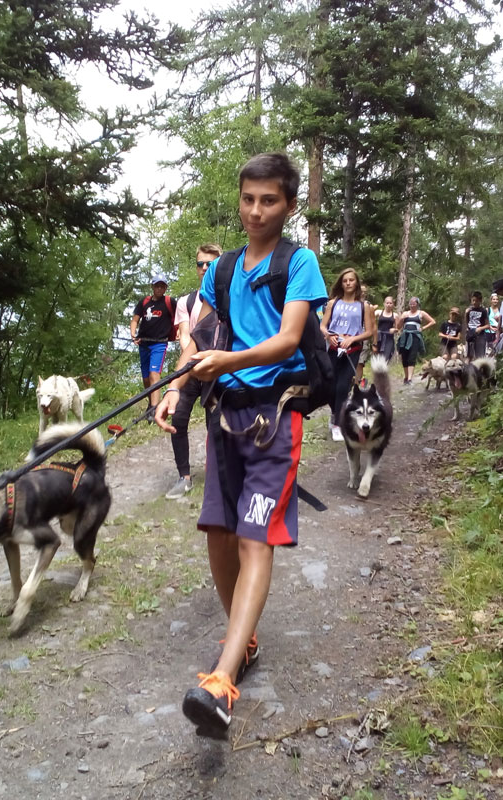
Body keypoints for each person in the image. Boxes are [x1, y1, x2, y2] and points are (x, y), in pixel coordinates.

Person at [154, 152, 327, 739]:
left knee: (255, 537)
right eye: (248, 199)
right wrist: (174, 389)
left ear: (289, 205)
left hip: (275, 418)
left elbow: (289, 339)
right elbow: (198, 335)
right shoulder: (223, 269)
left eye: (269, 200)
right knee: (219, 533)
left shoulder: (299, 263)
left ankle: (222, 680)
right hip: (224, 417)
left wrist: (226, 361)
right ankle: (243, 640)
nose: (256, 211)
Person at [165, 243, 223, 499]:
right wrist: (193, 361)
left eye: (211, 263)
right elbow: (185, 335)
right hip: (190, 367)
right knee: (178, 419)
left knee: (215, 423)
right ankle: (184, 477)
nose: (205, 268)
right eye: (201, 263)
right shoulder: (186, 301)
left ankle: (217, 474)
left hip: (217, 367)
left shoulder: (228, 299)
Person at [319, 268, 375, 442]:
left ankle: (338, 424)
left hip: (352, 349)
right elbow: (322, 326)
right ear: (341, 284)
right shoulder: (333, 303)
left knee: (343, 386)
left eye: (351, 280)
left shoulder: (363, 306)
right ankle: (335, 412)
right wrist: (329, 335)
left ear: (356, 282)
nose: (348, 283)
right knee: (329, 386)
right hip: (333, 348)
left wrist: (352, 339)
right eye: (345, 281)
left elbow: (369, 331)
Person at [130, 275, 176, 410]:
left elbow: (181, 315)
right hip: (144, 343)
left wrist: (180, 330)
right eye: (157, 286)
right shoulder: (144, 302)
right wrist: (133, 334)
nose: (159, 289)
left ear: (166, 288)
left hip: (159, 344)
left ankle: (154, 409)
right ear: (152, 287)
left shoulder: (169, 302)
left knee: (154, 375)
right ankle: (151, 404)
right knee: (146, 378)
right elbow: (135, 320)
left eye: (162, 286)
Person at [396, 296, 436, 384]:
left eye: (414, 304)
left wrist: (423, 328)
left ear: (417, 304)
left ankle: (410, 378)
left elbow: (432, 321)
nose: (412, 305)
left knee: (412, 356)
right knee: (404, 357)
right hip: (405, 336)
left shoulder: (421, 313)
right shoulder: (405, 313)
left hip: (415, 337)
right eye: (410, 304)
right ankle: (406, 377)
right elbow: (398, 327)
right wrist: (401, 319)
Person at [355, 285, 376, 388]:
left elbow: (373, 325)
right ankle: (356, 381)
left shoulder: (368, 306)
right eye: (361, 291)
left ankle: (356, 386)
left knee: (360, 362)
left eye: (365, 291)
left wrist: (375, 342)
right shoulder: (350, 303)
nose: (363, 293)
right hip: (350, 336)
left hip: (364, 337)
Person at [464, 291, 489, 361]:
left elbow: (488, 325)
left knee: (480, 356)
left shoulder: (483, 311)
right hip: (470, 334)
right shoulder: (469, 310)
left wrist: (480, 328)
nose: (474, 302)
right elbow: (466, 322)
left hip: (480, 335)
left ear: (480, 301)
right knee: (469, 355)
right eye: (473, 300)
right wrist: (466, 314)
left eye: (476, 301)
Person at [374, 295, 397, 362]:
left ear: (393, 305)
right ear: (384, 303)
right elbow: (370, 319)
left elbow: (398, 328)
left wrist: (394, 330)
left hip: (389, 337)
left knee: (386, 357)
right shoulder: (378, 312)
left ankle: (384, 367)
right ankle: (378, 368)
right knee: (378, 356)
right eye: (387, 303)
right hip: (379, 336)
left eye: (390, 303)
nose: (388, 305)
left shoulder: (395, 315)